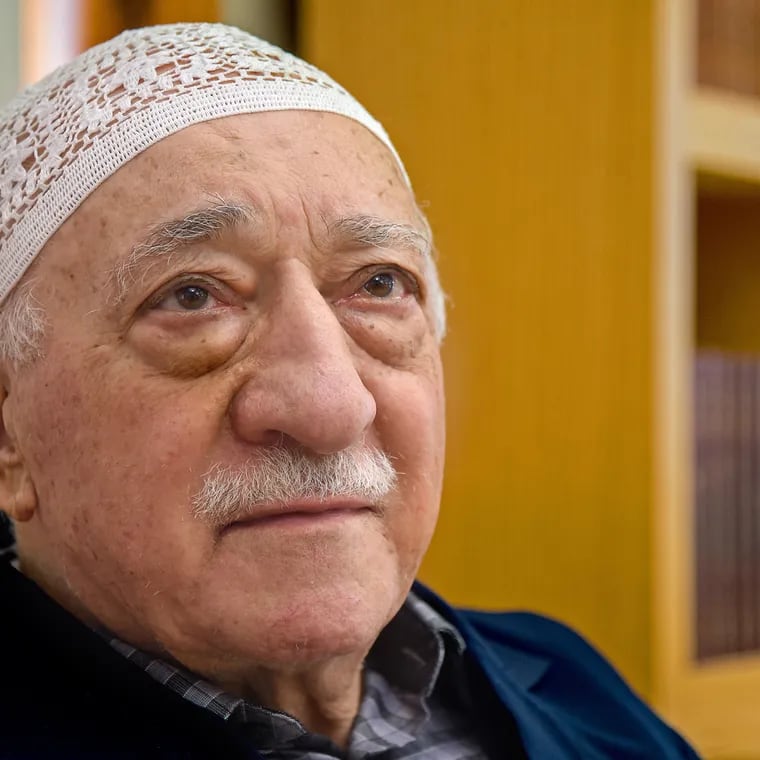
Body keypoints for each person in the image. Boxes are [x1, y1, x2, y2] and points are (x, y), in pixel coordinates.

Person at [0, 23, 699, 759]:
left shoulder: (569, 680)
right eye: (193, 297)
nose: (331, 408)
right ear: (9, 432)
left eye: (379, 283)